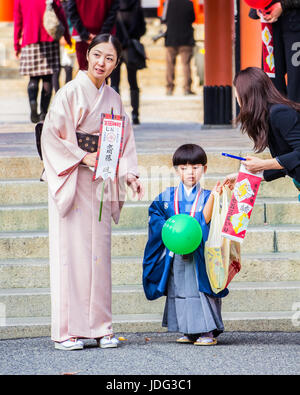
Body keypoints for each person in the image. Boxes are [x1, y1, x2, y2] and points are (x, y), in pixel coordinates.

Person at [41, 34, 144, 351]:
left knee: (99, 258)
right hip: (72, 178)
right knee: (70, 255)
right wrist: (82, 156)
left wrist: (129, 174)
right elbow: (52, 135)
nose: (102, 62)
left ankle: (101, 327)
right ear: (87, 55)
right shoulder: (69, 92)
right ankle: (66, 330)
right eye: (97, 55)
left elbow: (122, 140)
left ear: (116, 63)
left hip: (101, 180)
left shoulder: (113, 97)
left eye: (109, 58)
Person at [143, 144, 227, 346]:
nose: (190, 172)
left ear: (204, 169)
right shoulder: (166, 197)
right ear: (176, 170)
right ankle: (188, 330)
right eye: (183, 168)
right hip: (177, 253)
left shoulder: (208, 195)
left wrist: (215, 196)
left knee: (201, 290)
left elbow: (207, 220)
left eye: (196, 167)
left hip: (200, 253)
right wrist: (169, 228)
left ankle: (207, 330)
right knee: (180, 289)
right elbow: (155, 216)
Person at [225, 67, 300, 199]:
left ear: (246, 93)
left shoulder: (280, 113)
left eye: (236, 92)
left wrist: (263, 164)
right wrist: (245, 176)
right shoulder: (268, 116)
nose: (236, 97)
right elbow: (287, 163)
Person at [14, 0, 71, 123]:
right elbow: (61, 16)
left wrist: (16, 45)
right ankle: (43, 114)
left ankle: (33, 103)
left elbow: (18, 22)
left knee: (33, 78)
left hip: (30, 41)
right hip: (50, 40)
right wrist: (67, 37)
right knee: (47, 79)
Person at [249, 0, 300, 102]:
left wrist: (283, 6)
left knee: (296, 82)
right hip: (270, 26)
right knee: (272, 82)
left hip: (296, 24)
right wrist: (258, 7)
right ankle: (277, 115)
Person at [110, 0, 146, 125]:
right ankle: (135, 114)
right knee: (133, 81)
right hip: (131, 48)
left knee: (114, 82)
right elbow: (142, 29)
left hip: (116, 47)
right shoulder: (136, 5)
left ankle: (115, 113)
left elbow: (109, 25)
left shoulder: (114, 5)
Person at [67, 0, 120, 70]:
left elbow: (71, 11)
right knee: (101, 70)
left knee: (85, 70)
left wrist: (85, 34)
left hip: (86, 35)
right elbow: (113, 12)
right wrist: (101, 35)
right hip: (101, 35)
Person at [163, 0, 196, 96]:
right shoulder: (189, 4)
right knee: (186, 64)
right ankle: (187, 88)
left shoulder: (168, 3)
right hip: (186, 38)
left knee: (170, 65)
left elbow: (164, 19)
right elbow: (192, 18)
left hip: (171, 38)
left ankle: (169, 88)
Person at [52, 0, 76, 92]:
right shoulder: (54, 4)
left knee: (68, 69)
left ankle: (67, 95)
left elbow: (74, 21)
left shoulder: (71, 3)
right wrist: (60, 36)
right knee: (56, 70)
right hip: (56, 40)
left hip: (70, 39)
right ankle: (58, 95)